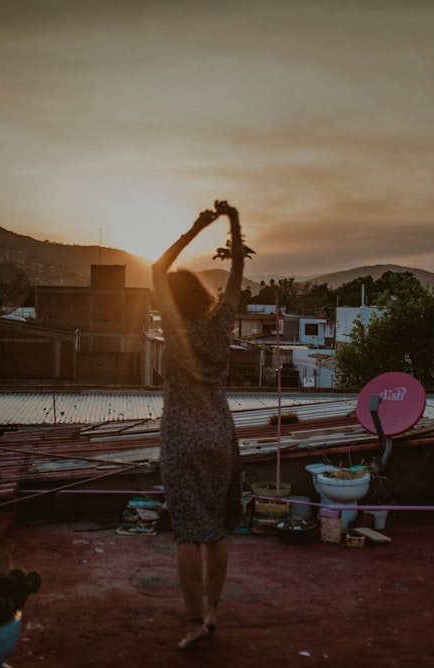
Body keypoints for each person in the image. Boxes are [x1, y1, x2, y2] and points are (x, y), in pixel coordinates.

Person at [151, 200, 245, 650]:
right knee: (217, 529)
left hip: (181, 436)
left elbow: (156, 267)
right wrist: (234, 224)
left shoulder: (174, 327)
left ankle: (193, 620)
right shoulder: (221, 323)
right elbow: (236, 278)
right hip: (219, 433)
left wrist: (195, 228)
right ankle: (213, 611)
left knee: (189, 532)